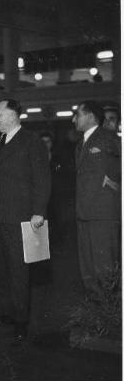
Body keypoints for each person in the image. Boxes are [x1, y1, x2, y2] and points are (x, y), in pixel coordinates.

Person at [0, 99, 51, 343]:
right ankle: (7, 312)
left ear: (13, 115)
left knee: (18, 271)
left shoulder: (31, 142)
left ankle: (21, 320)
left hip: (20, 216)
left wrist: (39, 211)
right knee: (0, 269)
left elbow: (42, 179)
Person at [72, 100, 121, 295]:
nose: (74, 119)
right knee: (89, 269)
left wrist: (114, 181)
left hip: (103, 212)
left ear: (91, 116)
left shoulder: (108, 138)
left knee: (105, 267)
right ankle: (96, 315)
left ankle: (111, 315)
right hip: (84, 212)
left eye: (78, 114)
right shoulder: (80, 144)